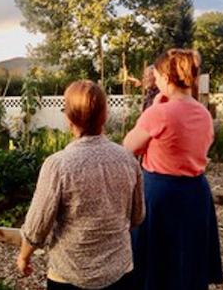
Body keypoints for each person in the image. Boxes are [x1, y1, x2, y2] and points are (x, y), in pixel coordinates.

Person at [17, 80, 145, 290]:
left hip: (70, 274)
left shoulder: (58, 165)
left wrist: (23, 257)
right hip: (120, 272)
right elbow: (137, 215)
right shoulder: (128, 160)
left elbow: (37, 228)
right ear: (104, 115)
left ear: (69, 119)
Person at [123, 49, 223, 290]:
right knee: (187, 260)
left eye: (156, 75)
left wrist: (156, 108)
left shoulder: (158, 113)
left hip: (161, 195)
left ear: (167, 78)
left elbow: (127, 148)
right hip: (196, 194)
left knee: (156, 265)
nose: (155, 80)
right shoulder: (203, 113)